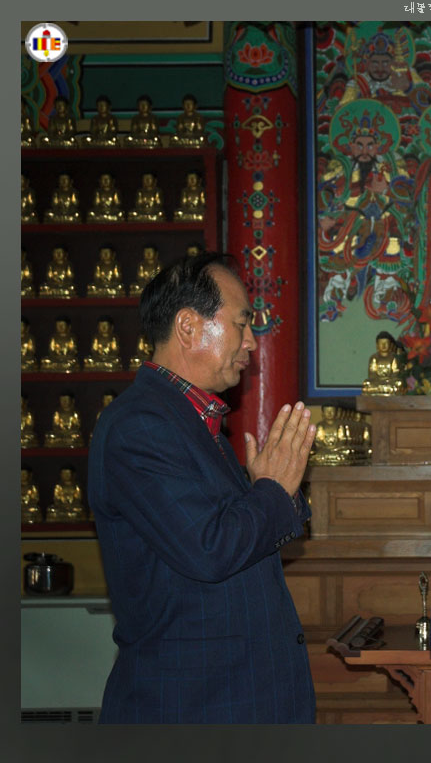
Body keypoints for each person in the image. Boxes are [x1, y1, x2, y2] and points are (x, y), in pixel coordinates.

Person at [88, 254, 317, 723]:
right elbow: (209, 550)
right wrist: (271, 490)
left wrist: (270, 490)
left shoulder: (193, 422)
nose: (252, 342)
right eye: (241, 323)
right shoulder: (141, 425)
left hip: (231, 701)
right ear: (189, 327)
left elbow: (232, 537)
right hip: (193, 707)